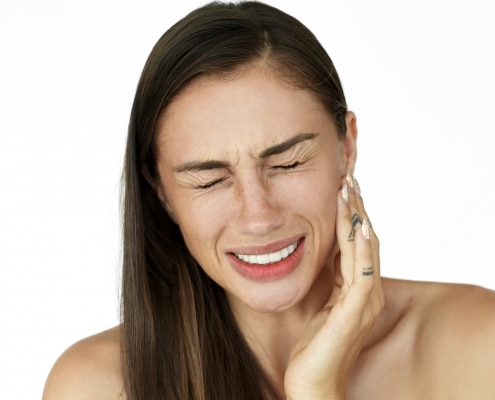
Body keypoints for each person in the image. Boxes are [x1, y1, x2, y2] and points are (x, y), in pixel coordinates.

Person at [42, 1, 495, 399]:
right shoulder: (95, 386)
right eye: (208, 180)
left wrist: (317, 392)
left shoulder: (478, 345)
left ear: (347, 147)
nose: (258, 216)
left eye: (287, 163)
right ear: (160, 191)